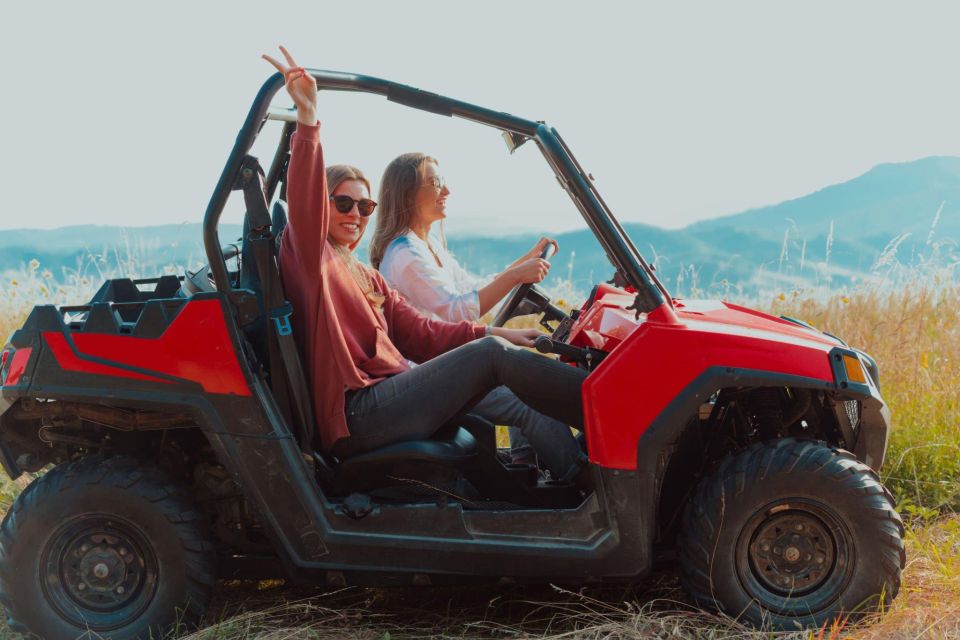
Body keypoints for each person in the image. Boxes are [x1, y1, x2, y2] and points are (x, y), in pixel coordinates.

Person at [262, 47, 587, 481]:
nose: (355, 214)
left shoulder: (363, 273)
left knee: (499, 358)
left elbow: (422, 331)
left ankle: (582, 482)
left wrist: (498, 331)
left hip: (390, 394)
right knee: (490, 358)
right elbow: (303, 203)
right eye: (343, 203)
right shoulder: (309, 257)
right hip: (357, 412)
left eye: (364, 205)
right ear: (321, 206)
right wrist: (308, 116)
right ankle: (614, 405)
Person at [370, 152, 581, 471]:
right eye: (436, 182)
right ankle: (584, 485)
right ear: (408, 193)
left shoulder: (426, 247)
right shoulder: (405, 255)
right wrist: (515, 276)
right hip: (431, 373)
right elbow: (459, 310)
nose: (447, 191)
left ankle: (529, 468)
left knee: (528, 376)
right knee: (533, 402)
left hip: (449, 361)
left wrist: (521, 265)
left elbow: (471, 289)